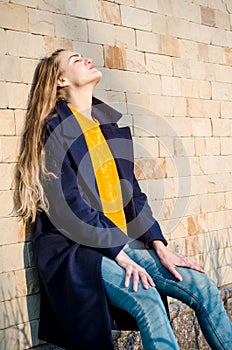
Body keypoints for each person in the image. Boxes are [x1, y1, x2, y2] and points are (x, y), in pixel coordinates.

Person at [15, 49, 232, 350]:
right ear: (61, 79)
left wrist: (160, 246)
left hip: (120, 245)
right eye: (76, 59)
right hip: (81, 252)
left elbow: (133, 194)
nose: (86, 59)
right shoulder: (54, 131)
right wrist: (120, 254)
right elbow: (69, 207)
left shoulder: (106, 127)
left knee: (203, 286)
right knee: (147, 299)